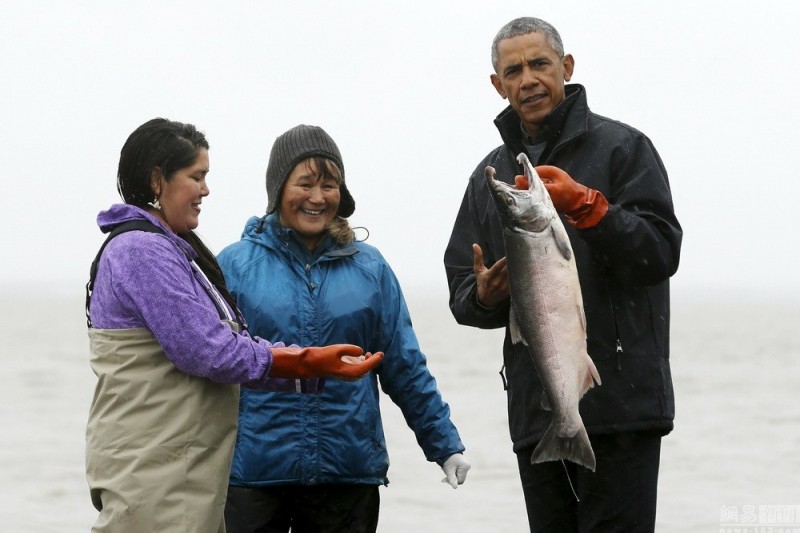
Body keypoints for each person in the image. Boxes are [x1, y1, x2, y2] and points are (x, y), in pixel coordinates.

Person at [85, 118, 382, 533]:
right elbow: (209, 351)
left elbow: (226, 345)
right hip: (155, 473)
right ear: (158, 179)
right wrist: (307, 361)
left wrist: (306, 366)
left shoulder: (169, 247)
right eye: (196, 177)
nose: (205, 190)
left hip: (178, 470)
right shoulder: (141, 250)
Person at [444, 17, 683, 532]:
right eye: (513, 70)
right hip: (540, 415)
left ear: (566, 67)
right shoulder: (489, 177)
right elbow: (461, 291)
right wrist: (484, 296)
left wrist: (592, 208)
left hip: (624, 409)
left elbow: (662, 251)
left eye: (539, 64)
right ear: (497, 85)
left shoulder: (624, 149)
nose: (528, 78)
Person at [218, 124, 470, 533]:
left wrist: (444, 445)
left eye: (329, 184)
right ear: (278, 189)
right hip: (254, 477)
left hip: (347, 476)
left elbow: (404, 365)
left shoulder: (370, 269)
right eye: (305, 183)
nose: (318, 197)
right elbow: (210, 364)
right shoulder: (234, 266)